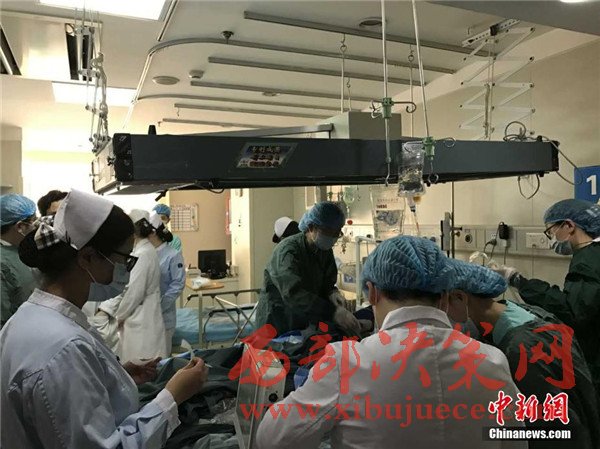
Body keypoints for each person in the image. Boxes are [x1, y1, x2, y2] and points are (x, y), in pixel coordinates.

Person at [256, 236, 525, 449]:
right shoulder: (492, 362)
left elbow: (272, 439)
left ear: (372, 293)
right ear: (444, 298)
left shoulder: (347, 363)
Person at [1, 189, 208, 449]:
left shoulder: (31, 317)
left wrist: (114, 375)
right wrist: (172, 397)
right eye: (124, 260)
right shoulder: (64, 349)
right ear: (88, 257)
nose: (125, 270)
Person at [447, 258, 600, 449]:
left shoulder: (523, 351)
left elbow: (552, 432)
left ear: (460, 298)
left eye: (443, 305)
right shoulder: (523, 313)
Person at [492, 199, 600, 396]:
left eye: (551, 231)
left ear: (569, 226)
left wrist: (520, 282)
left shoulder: (588, 259)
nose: (551, 239)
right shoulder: (591, 255)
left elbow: (574, 310)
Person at [256, 201, 360, 336]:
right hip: (277, 323)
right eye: (328, 232)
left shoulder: (324, 250)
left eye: (337, 233)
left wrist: (332, 293)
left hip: (303, 322)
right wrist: (332, 312)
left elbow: (327, 282)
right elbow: (293, 293)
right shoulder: (287, 251)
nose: (333, 238)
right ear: (311, 227)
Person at [98, 209, 167, 360]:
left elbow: (133, 293)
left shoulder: (142, 254)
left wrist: (116, 318)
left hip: (141, 323)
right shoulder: (145, 250)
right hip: (141, 319)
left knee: (141, 366)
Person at [148, 212, 185, 355]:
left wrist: (160, 306)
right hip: (147, 316)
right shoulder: (146, 253)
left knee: (161, 358)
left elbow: (177, 284)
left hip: (164, 317)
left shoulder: (173, 255)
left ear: (153, 233)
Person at [1, 193, 38, 326]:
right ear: (20, 227)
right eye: (34, 221)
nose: (37, 227)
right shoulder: (3, 262)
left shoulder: (21, 251)